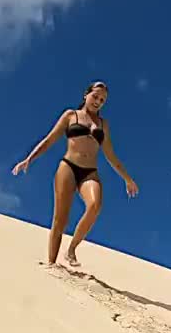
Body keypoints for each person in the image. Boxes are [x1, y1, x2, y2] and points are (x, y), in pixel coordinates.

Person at [12, 81, 139, 267]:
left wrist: (127, 179)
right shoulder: (71, 115)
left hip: (89, 172)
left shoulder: (103, 125)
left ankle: (71, 249)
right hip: (68, 167)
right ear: (86, 95)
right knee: (60, 219)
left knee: (95, 205)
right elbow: (49, 139)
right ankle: (51, 264)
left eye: (102, 100)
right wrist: (29, 159)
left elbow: (110, 155)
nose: (98, 101)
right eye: (95, 96)